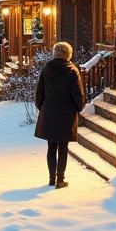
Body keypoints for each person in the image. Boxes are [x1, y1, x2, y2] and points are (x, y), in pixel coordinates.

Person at [34, 41, 86, 188]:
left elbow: (39, 92)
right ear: (68, 54)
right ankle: (60, 180)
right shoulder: (71, 70)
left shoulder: (47, 68)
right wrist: (79, 107)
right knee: (63, 146)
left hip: (49, 110)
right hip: (66, 113)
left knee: (51, 147)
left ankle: (51, 178)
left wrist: (42, 107)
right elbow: (78, 93)